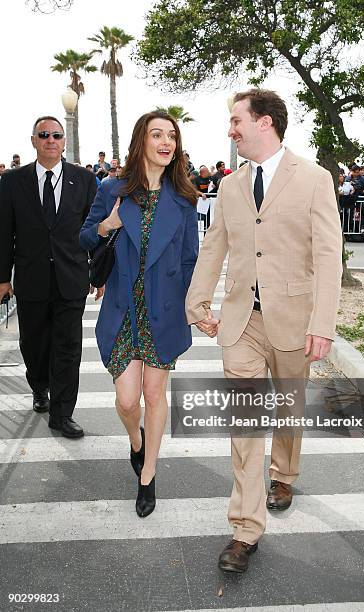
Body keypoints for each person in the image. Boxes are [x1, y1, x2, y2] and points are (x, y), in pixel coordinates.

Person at [186, 88, 342, 573]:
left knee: (290, 408)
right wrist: (198, 300)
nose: (230, 129)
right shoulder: (229, 187)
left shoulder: (313, 178)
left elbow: (327, 255)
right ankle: (245, 529)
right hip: (242, 323)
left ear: (265, 123)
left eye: (236, 120)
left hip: (295, 319)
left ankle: (286, 472)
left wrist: (323, 324)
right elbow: (214, 247)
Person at [80, 111, 198, 518]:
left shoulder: (183, 197)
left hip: (164, 308)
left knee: (153, 394)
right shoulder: (113, 188)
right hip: (122, 307)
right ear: (141, 140)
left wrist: (191, 306)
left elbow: (189, 260)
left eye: (172, 136)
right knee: (128, 400)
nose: (166, 142)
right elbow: (83, 237)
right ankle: (137, 441)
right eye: (157, 134)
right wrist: (106, 225)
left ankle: (148, 475)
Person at [0, 116, 98, 437]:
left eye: (56, 135)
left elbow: (94, 230)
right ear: (34, 141)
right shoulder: (13, 182)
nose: (51, 140)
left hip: (71, 279)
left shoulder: (84, 180)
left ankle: (62, 414)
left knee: (68, 347)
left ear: (64, 141)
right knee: (35, 345)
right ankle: (39, 386)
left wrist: (99, 273)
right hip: (31, 280)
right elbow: (4, 233)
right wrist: (3, 278)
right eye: (44, 135)